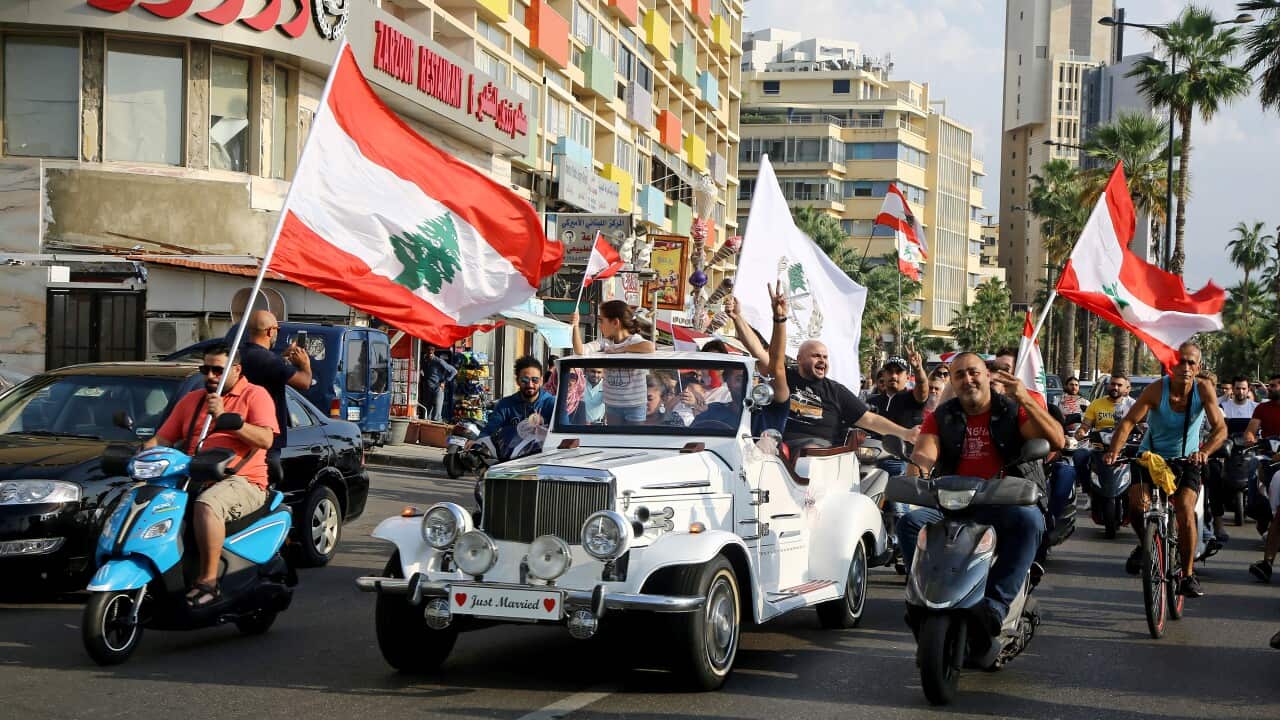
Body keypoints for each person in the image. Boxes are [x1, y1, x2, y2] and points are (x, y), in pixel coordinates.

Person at [897, 352, 1065, 634]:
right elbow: (924, 456)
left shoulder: (1010, 410)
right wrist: (917, 480)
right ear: (951, 381)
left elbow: (1057, 439)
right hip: (954, 502)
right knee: (910, 524)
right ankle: (924, 600)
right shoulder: (942, 417)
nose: (968, 379)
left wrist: (1023, 397)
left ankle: (995, 606)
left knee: (1030, 521)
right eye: (959, 374)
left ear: (987, 375)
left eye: (973, 372)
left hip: (1005, 500)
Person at [145, 344, 278, 607]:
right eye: (205, 369)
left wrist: (229, 419)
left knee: (207, 505)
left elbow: (265, 439)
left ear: (236, 370)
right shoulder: (192, 401)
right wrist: (140, 454)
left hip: (241, 480)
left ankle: (208, 582)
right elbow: (163, 438)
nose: (210, 376)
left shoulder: (255, 395)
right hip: (192, 475)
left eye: (218, 370)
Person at [1103, 341, 1226, 598]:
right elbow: (1128, 422)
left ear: (1198, 366)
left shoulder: (1203, 390)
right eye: (1180, 361)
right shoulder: (1157, 389)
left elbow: (1220, 429)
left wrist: (1204, 452)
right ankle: (1144, 544)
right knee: (1137, 506)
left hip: (1188, 460)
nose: (1185, 367)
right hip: (1151, 457)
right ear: (1172, 365)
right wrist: (1114, 450)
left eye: (1191, 362)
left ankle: (1188, 575)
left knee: (1184, 509)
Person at [781, 340, 918, 450]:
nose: (822, 360)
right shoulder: (784, 377)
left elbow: (870, 420)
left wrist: (906, 434)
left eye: (825, 357)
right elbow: (771, 360)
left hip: (818, 453)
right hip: (779, 446)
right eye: (816, 356)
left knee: (812, 449)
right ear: (799, 359)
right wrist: (779, 320)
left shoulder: (836, 391)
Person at [236, 311, 311, 489]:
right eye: (276, 329)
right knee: (263, 488)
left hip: (238, 432)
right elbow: (304, 382)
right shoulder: (268, 361)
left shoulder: (238, 355)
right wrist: (305, 363)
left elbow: (270, 368)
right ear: (270, 332)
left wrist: (282, 358)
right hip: (265, 436)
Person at [571, 300, 655, 424]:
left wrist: (622, 349)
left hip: (635, 405)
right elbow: (580, 350)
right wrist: (575, 326)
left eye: (601, 320)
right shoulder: (605, 342)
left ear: (615, 322)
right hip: (612, 404)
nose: (600, 325)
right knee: (614, 440)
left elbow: (650, 347)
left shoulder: (634, 340)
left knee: (633, 442)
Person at [473, 356, 555, 456]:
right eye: (525, 380)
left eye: (535, 380)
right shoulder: (505, 405)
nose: (530, 384)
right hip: (509, 462)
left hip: (542, 460)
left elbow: (563, 433)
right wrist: (478, 441)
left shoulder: (552, 404)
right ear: (517, 381)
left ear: (541, 381)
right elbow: (490, 429)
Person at [866, 350, 929, 475]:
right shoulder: (872, 401)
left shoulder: (913, 398)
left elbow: (922, 388)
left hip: (902, 461)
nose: (894, 376)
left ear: (907, 376)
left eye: (899, 372)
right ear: (883, 375)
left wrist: (918, 369)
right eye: (890, 372)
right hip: (871, 459)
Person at [1071, 374, 1135, 488]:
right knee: (1079, 456)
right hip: (1098, 446)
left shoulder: (1132, 405)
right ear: (1108, 386)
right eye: (1113, 384)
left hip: (1124, 447)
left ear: (1126, 388)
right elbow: (1085, 425)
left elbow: (1143, 424)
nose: (1115, 387)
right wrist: (1081, 431)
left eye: (1119, 385)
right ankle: (1087, 490)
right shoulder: (1096, 403)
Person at [420, 345, 457, 422]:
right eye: (428, 353)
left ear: (433, 352)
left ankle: (436, 430)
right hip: (427, 389)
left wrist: (444, 382)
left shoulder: (439, 361)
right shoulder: (424, 361)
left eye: (431, 353)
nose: (429, 354)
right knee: (426, 413)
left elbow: (454, 371)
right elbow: (421, 371)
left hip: (437, 388)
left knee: (437, 414)